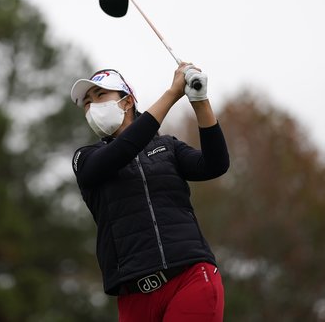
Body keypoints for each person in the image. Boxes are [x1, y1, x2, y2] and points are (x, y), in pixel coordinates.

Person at [70, 63, 230, 322]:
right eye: (87, 102)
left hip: (189, 278)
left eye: (100, 96)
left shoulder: (167, 147)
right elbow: (123, 150)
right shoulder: (85, 159)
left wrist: (199, 100)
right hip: (133, 297)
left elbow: (215, 164)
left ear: (127, 101)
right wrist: (172, 94)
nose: (92, 107)